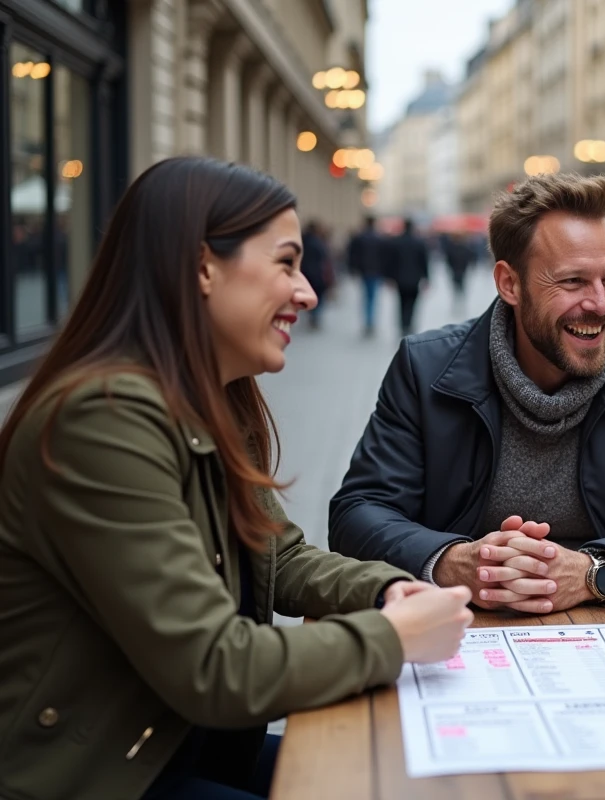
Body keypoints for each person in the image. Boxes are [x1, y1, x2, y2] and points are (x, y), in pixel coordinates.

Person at [0, 157, 474, 800]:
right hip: (93, 772)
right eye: (286, 263)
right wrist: (391, 639)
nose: (308, 291)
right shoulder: (102, 420)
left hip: (175, 741)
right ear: (202, 267)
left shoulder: (209, 396)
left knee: (409, 776)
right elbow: (215, 665)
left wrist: (395, 587)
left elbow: (279, 554)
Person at [329, 173, 605, 614]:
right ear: (510, 284)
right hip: (457, 625)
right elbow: (357, 513)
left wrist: (594, 570)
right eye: (574, 281)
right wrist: (454, 562)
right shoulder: (425, 368)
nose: (601, 304)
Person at [346, 215, 391, 338]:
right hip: (376, 271)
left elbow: (352, 254)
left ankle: (368, 321)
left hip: (364, 271)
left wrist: (353, 269)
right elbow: (385, 258)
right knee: (373, 297)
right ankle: (370, 321)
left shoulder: (360, 237)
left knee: (366, 296)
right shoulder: (379, 238)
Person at [390, 217, 430, 338]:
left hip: (400, 279)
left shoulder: (397, 242)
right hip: (414, 279)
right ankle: (409, 324)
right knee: (412, 303)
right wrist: (427, 278)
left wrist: (390, 277)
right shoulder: (418, 242)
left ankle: (403, 325)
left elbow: (392, 262)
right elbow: (424, 262)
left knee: (401, 303)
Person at [300, 219, 330, 330]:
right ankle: (315, 315)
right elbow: (325, 259)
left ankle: (312, 315)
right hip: (317, 273)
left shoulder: (303, 242)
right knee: (318, 296)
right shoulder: (319, 242)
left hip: (305, 273)